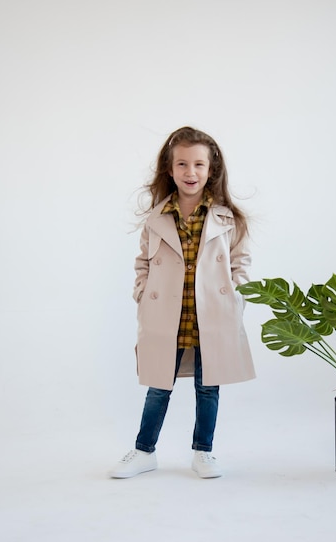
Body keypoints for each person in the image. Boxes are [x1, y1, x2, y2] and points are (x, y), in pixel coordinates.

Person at [110, 126, 255, 480]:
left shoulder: (228, 218)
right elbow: (142, 262)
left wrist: (236, 296)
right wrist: (142, 294)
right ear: (170, 169)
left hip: (212, 316)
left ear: (211, 170)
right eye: (182, 164)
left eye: (199, 165)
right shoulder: (156, 218)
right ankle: (144, 451)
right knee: (159, 387)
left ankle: (203, 452)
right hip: (167, 317)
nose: (191, 173)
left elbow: (241, 263)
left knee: (208, 388)